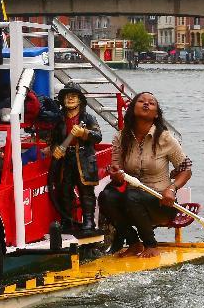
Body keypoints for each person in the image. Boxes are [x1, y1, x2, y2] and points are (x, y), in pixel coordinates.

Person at [99, 92, 193, 258]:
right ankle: (134, 243)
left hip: (161, 203)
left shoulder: (165, 138)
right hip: (132, 201)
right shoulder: (121, 137)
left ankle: (151, 245)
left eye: (151, 103)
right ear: (132, 109)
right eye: (141, 101)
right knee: (106, 196)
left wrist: (172, 188)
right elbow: (116, 170)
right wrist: (116, 174)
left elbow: (186, 169)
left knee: (131, 196)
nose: (146, 104)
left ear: (156, 114)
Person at [49, 82, 103, 236]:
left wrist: (84, 133)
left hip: (84, 158)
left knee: (86, 190)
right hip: (65, 160)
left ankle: (88, 221)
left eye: (73, 96)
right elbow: (52, 141)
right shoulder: (59, 120)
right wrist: (55, 150)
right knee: (64, 190)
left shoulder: (88, 118)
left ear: (80, 99)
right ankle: (67, 220)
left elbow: (98, 137)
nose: (70, 99)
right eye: (67, 96)